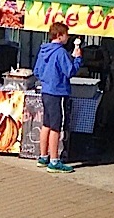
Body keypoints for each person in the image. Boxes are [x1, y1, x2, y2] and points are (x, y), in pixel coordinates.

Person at [33, 21, 83, 173]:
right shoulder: (61, 52)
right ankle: (54, 161)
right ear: (60, 36)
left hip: (46, 90)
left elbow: (37, 71)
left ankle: (43, 156)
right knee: (56, 126)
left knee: (46, 124)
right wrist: (78, 59)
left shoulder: (43, 50)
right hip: (58, 92)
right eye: (66, 35)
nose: (68, 38)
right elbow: (70, 71)